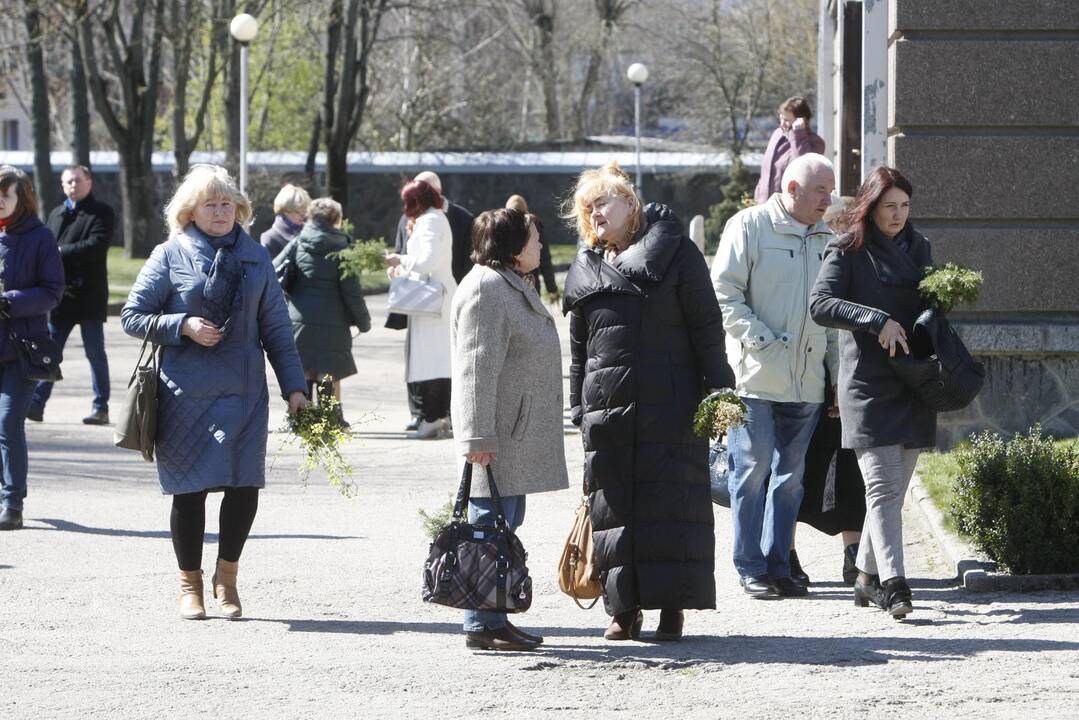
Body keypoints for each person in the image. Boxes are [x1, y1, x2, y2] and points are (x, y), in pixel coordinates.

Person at [120, 164, 307, 620]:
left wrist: (295, 389)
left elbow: (277, 329)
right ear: (190, 211)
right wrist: (181, 325)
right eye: (211, 204)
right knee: (190, 491)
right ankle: (190, 585)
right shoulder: (170, 254)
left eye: (228, 204)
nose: (221, 212)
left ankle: (228, 579)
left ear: (240, 210)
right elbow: (132, 316)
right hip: (186, 395)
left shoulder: (255, 257)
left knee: (244, 488)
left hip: (244, 392)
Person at [563, 161, 735, 642]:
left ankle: (671, 608)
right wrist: (577, 406)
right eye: (587, 207)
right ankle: (623, 610)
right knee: (613, 511)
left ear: (630, 205)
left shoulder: (677, 253)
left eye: (603, 202)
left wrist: (720, 390)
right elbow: (580, 348)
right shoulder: (586, 267)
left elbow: (707, 327)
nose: (594, 213)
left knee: (670, 506)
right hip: (607, 412)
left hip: (671, 404)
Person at [711, 153, 839, 599]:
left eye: (830, 188)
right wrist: (762, 339)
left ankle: (778, 564)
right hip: (755, 377)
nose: (830, 198)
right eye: (822, 189)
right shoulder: (748, 226)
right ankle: (749, 566)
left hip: (807, 380)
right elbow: (723, 293)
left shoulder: (829, 236)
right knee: (751, 470)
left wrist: (836, 378)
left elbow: (835, 314)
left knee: (792, 478)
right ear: (791, 189)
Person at [809, 166, 935, 619]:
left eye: (904, 206)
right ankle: (895, 584)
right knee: (881, 490)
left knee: (893, 493)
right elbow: (820, 304)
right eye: (889, 207)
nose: (898, 215)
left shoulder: (920, 247)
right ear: (869, 207)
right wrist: (874, 319)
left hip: (914, 381)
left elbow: (927, 304)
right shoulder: (847, 248)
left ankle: (864, 577)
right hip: (866, 384)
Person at [450, 207, 569, 651]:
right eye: (535, 238)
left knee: (501, 525)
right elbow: (474, 370)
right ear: (513, 245)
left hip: (510, 433)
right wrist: (478, 437)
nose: (540, 245)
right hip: (496, 435)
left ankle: (492, 617)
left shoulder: (507, 283)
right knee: (488, 527)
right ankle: (482, 623)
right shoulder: (487, 288)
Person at [0, 166, 64, 531]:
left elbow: (52, 291)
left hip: (23, 349)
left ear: (20, 198)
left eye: (4, 196)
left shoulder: (39, 237)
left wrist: (9, 302)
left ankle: (13, 502)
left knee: (8, 424)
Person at [386, 171, 474, 431]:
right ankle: (434, 415)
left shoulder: (429, 222)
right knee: (437, 358)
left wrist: (399, 260)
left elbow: (426, 262)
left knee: (433, 359)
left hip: (432, 300)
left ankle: (432, 417)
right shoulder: (434, 218)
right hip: (435, 298)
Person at [27, 165, 114, 425]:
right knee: (49, 353)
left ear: (89, 183)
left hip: (89, 297)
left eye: (77, 181)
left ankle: (101, 408)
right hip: (60, 299)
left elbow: (95, 247)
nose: (73, 186)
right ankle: (36, 404)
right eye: (68, 182)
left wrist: (59, 251)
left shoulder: (101, 213)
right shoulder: (56, 214)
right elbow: (44, 248)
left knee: (95, 354)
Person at [274, 197, 370, 428]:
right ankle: (330, 420)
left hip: (299, 319)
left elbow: (274, 269)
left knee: (304, 370)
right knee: (329, 372)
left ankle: (300, 419)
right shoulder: (343, 247)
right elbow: (352, 292)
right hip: (333, 322)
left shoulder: (298, 241)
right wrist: (363, 322)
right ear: (336, 219)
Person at [754, 96, 826, 205]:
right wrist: (758, 197)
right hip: (765, 205)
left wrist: (798, 133)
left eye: (786, 120)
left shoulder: (816, 143)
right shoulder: (778, 135)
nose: (782, 124)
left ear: (802, 120)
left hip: (791, 208)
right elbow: (766, 171)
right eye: (781, 119)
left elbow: (803, 165)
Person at [504, 195, 559, 304]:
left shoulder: (503, 229)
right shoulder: (533, 227)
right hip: (531, 283)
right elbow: (545, 260)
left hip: (508, 283)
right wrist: (552, 289)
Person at [260, 183, 311, 259]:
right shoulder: (270, 237)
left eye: (305, 211)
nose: (303, 216)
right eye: (298, 212)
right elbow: (270, 269)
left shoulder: (310, 233)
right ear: (285, 211)